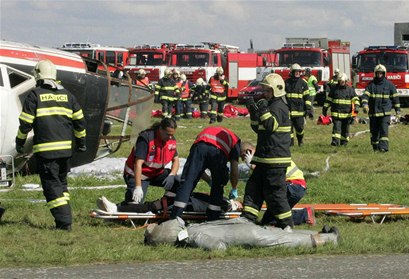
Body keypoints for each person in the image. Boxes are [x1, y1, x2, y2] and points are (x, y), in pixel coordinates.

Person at [15, 59, 87, 231]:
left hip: (47, 153)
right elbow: (80, 122)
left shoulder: (35, 95)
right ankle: (65, 220)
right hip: (65, 152)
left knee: (52, 187)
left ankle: (64, 223)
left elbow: (25, 123)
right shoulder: (68, 95)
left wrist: (19, 142)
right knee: (61, 184)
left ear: (38, 75)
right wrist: (81, 143)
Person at [242, 73, 294, 230]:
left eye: (267, 91)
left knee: (275, 194)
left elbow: (271, 125)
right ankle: (247, 220)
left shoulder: (279, 107)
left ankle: (287, 225)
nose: (264, 94)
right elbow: (259, 128)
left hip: (275, 160)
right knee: (253, 189)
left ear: (276, 90)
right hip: (265, 159)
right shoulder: (272, 106)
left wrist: (263, 108)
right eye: (264, 90)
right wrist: (253, 110)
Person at [170, 126, 241, 221]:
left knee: (187, 182)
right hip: (217, 152)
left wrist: (208, 180)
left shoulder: (210, 131)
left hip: (198, 147)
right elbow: (234, 171)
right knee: (218, 186)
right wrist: (234, 188)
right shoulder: (235, 141)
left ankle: (175, 217)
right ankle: (213, 218)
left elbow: (196, 169)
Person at [144, 217, 339, 250]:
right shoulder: (193, 231)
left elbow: (219, 247)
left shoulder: (192, 235)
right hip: (243, 229)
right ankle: (325, 236)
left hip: (246, 234)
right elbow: (218, 244)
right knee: (283, 235)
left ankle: (328, 238)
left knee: (284, 239)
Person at [241, 142, 314, 225]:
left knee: (274, 200)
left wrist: (252, 166)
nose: (243, 160)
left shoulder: (264, 155)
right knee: (268, 221)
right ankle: (306, 214)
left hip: (293, 186)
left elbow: (268, 176)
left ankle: (303, 215)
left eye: (243, 156)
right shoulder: (264, 154)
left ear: (249, 151)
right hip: (295, 187)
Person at [121, 118, 180, 205]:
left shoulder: (170, 140)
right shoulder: (146, 139)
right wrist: (138, 186)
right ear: (160, 129)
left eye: (172, 134)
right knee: (135, 204)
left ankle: (166, 204)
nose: (170, 137)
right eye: (167, 134)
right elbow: (138, 164)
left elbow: (176, 160)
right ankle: (117, 207)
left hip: (156, 174)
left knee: (179, 182)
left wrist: (172, 175)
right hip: (138, 175)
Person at [361, 64, 400, 152]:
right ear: (375, 73)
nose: (379, 75)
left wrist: (398, 111)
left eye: (381, 73)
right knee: (374, 133)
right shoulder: (371, 85)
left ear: (384, 74)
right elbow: (365, 96)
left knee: (384, 131)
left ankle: (383, 148)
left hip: (384, 113)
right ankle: (375, 147)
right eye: (378, 73)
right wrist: (365, 105)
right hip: (373, 114)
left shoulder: (390, 85)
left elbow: (395, 99)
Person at [97, 192, 242, 215]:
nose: (239, 202)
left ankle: (116, 208)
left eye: (240, 204)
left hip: (186, 204)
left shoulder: (226, 205)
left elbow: (206, 197)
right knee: (151, 206)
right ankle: (117, 207)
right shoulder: (225, 203)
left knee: (152, 207)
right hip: (186, 201)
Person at [322, 73, 360, 146]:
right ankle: (335, 142)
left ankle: (344, 143)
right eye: (340, 81)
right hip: (336, 114)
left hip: (347, 115)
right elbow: (328, 100)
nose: (341, 83)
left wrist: (357, 106)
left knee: (345, 130)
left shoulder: (350, 90)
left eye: (343, 81)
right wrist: (325, 108)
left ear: (346, 81)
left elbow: (356, 99)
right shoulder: (334, 90)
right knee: (336, 129)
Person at [284, 63, 311, 146]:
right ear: (291, 72)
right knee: (289, 129)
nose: (298, 73)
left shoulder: (303, 83)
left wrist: (308, 108)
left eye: (299, 72)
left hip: (299, 112)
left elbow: (307, 97)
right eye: (296, 72)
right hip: (288, 111)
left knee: (299, 129)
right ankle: (291, 144)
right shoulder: (286, 83)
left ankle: (300, 140)